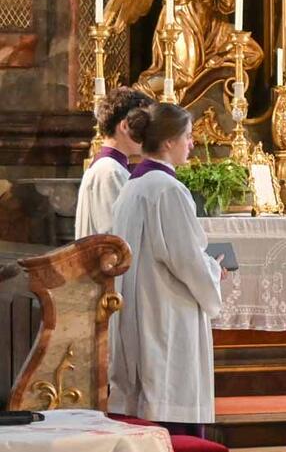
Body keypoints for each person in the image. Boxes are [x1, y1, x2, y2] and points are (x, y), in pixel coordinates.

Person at [109, 103, 223, 433]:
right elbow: (185, 259)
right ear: (169, 142)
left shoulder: (133, 186)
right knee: (167, 401)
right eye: (188, 137)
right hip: (166, 315)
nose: (192, 144)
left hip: (141, 307)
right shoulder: (168, 189)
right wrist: (214, 272)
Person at [74, 87, 153, 238]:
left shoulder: (112, 167)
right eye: (143, 126)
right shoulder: (109, 171)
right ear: (124, 126)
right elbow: (116, 235)